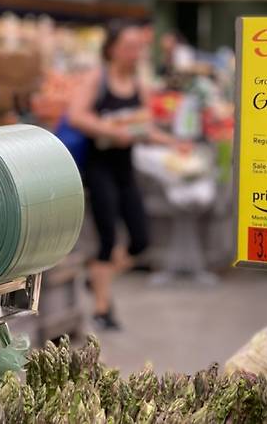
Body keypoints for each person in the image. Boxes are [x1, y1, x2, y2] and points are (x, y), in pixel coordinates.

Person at [67, 20, 187, 330]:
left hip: (124, 168)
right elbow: (76, 115)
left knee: (140, 239)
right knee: (107, 237)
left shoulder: (139, 85)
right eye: (129, 47)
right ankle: (102, 308)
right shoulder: (98, 79)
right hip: (98, 167)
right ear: (112, 49)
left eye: (139, 47)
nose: (136, 53)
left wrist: (173, 142)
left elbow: (143, 130)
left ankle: (98, 278)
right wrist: (110, 130)